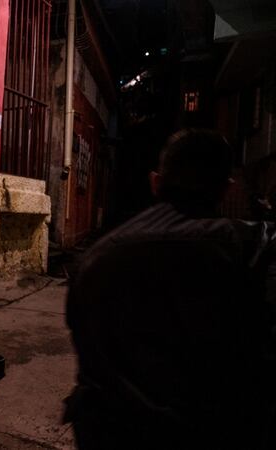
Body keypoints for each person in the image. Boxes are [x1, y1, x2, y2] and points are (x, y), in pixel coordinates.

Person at [65, 129, 276, 449]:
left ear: (155, 182)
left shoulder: (96, 255)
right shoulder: (252, 249)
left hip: (109, 434)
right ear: (225, 188)